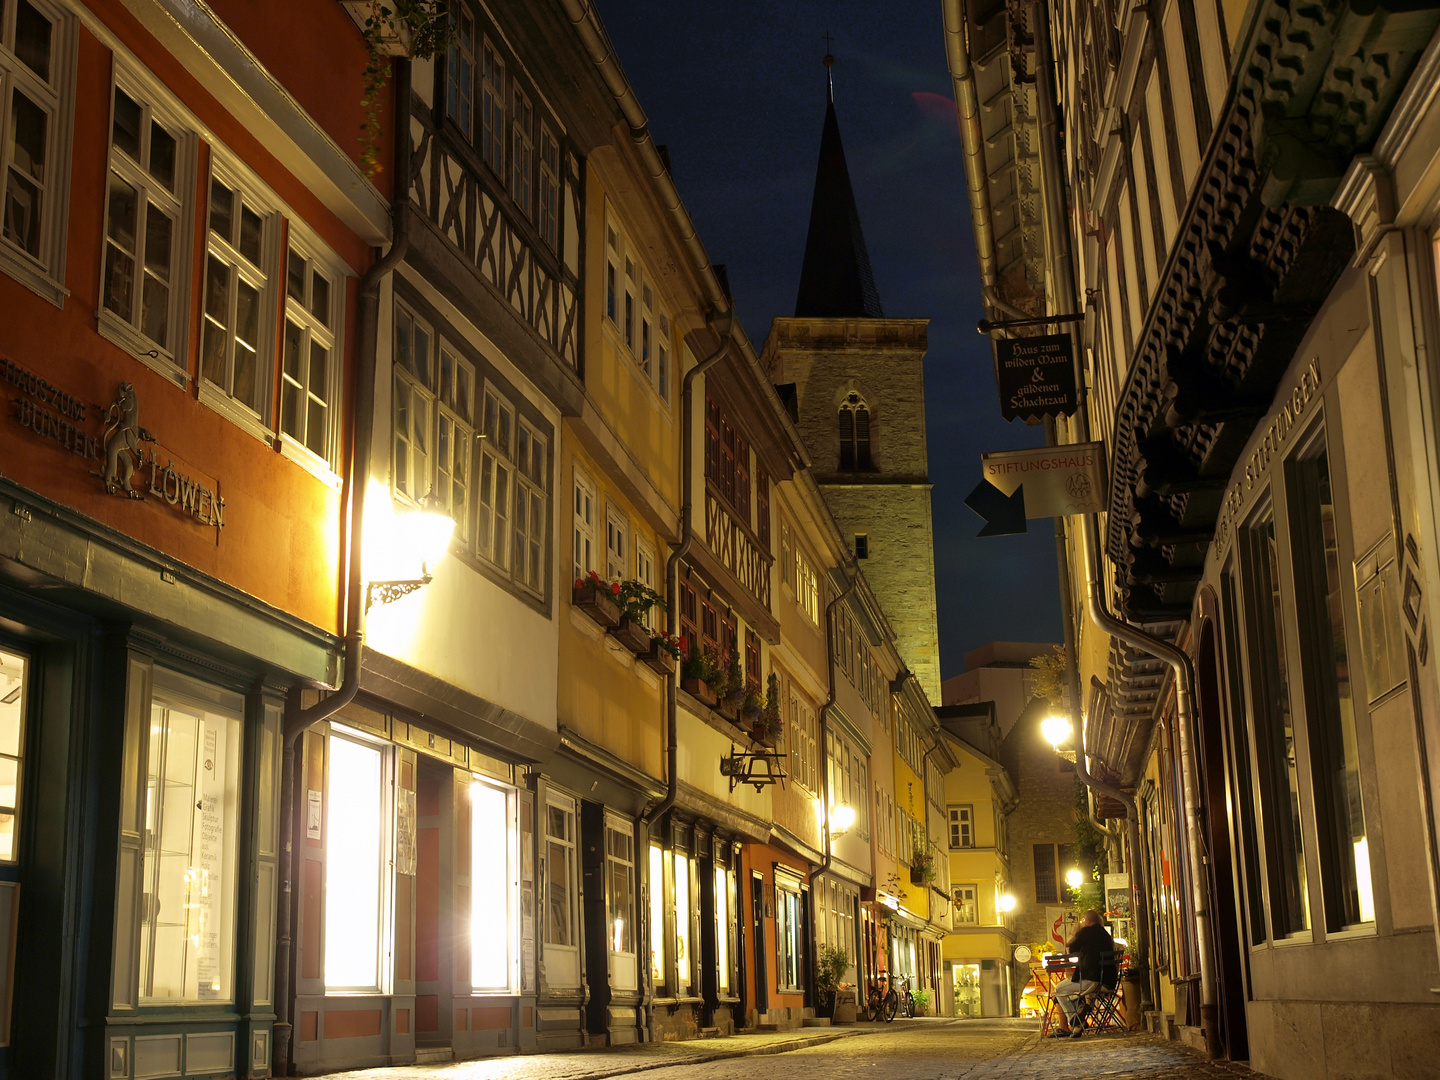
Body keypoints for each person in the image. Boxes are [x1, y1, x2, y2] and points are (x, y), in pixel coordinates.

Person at [1049, 909, 1115, 1038]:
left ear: (1087, 921)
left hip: (1092, 978)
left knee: (1059, 989)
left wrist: (1077, 933)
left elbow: (1072, 947)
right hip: (1108, 979)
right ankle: (1079, 1011)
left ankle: (1077, 1023)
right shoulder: (1105, 935)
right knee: (1069, 990)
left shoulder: (1086, 932)